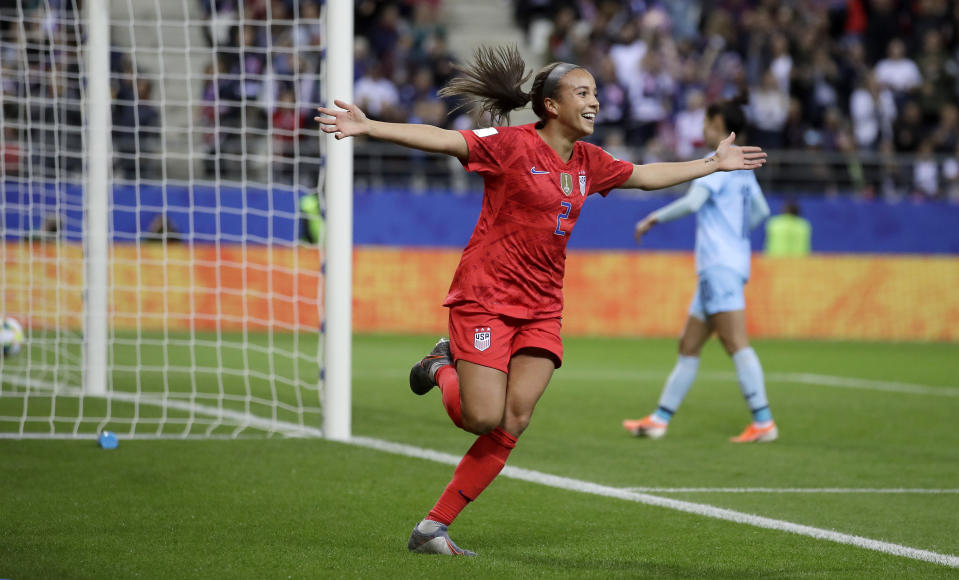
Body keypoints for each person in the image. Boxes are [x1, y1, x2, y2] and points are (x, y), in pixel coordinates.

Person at [315, 45, 766, 557]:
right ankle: (442, 364)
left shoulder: (590, 162)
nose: (594, 101)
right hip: (485, 296)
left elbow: (644, 175)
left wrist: (712, 164)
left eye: (596, 92)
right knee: (481, 417)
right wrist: (371, 127)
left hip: (543, 306)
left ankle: (432, 529)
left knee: (514, 420)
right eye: (583, 92)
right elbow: (445, 139)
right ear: (551, 105)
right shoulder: (508, 145)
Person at [623, 99, 776, 443]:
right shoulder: (744, 168)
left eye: (706, 123)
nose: (703, 130)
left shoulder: (719, 165)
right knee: (689, 345)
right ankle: (659, 420)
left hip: (717, 266)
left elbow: (693, 203)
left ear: (718, 123)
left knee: (736, 342)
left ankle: (764, 421)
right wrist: (735, 237)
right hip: (729, 264)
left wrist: (652, 218)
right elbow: (761, 211)